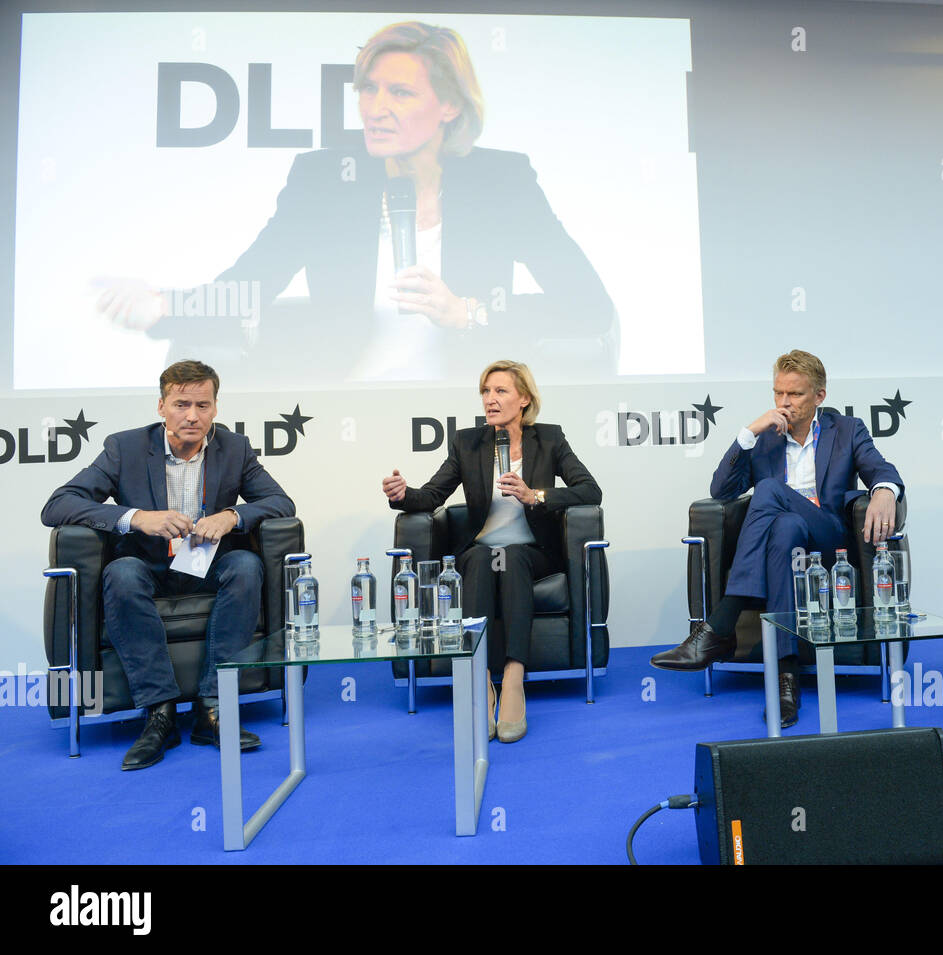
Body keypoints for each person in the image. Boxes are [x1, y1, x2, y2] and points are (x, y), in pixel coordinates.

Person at [97, 22, 617, 383]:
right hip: (350, 404)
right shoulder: (324, 181)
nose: (376, 109)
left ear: (450, 105)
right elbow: (251, 285)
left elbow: (588, 305)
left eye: (400, 93)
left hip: (470, 427)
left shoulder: (501, 181)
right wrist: (164, 305)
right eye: (368, 90)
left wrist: (467, 313)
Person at [41, 360, 296, 770]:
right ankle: (159, 713)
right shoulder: (123, 447)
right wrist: (135, 517)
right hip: (147, 566)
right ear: (161, 406)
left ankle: (212, 707)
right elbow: (58, 504)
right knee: (120, 573)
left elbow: (281, 502)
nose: (192, 415)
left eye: (202, 404)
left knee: (246, 565)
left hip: (207, 566)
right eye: (181, 404)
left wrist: (231, 516)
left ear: (215, 408)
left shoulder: (235, 448)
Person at [650, 349, 904, 727]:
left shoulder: (847, 430)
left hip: (829, 539)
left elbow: (880, 468)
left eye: (795, 395)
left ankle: (720, 624)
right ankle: (786, 681)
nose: (784, 403)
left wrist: (884, 490)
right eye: (778, 393)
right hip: (787, 544)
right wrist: (749, 433)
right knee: (783, 531)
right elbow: (721, 490)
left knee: (769, 489)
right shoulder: (766, 437)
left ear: (819, 396)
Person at [382, 359, 601, 743]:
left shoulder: (549, 439)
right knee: (484, 557)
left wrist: (538, 495)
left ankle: (514, 679)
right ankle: (480, 678)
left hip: (531, 551)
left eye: (500, 391)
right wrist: (404, 495)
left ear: (524, 400)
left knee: (513, 555)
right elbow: (433, 494)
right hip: (479, 549)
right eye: (485, 391)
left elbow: (589, 489)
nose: (490, 400)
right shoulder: (468, 442)